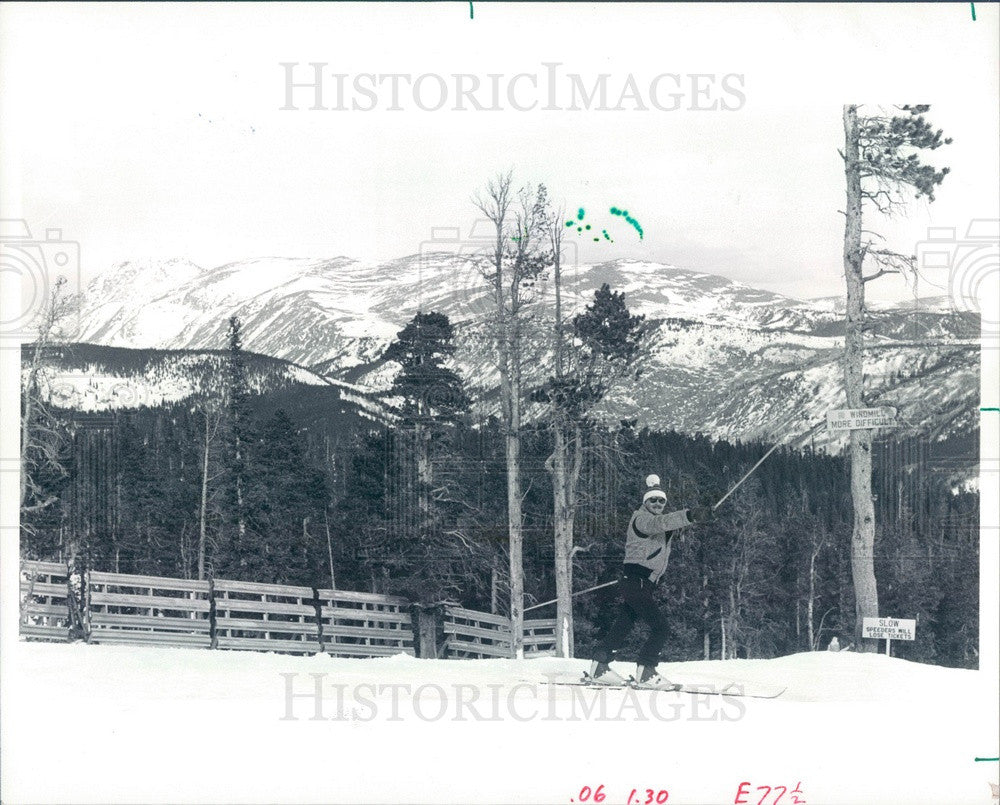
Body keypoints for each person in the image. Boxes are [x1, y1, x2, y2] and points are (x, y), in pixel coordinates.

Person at [589, 474, 714, 689]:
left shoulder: (655, 522)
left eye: (661, 501)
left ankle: (599, 667)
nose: (657, 504)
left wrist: (695, 517)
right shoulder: (641, 518)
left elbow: (666, 526)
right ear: (645, 502)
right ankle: (646, 672)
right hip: (636, 580)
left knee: (624, 624)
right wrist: (691, 515)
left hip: (642, 583)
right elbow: (662, 522)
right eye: (653, 500)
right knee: (661, 628)